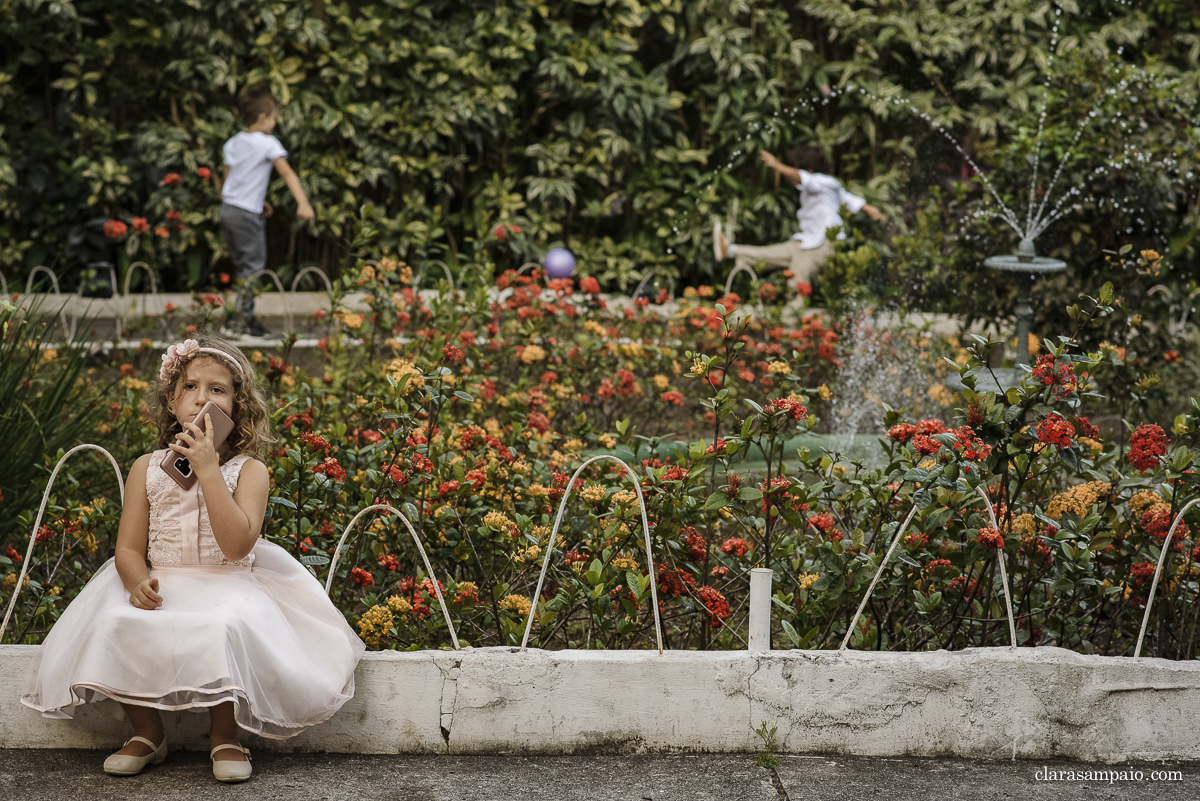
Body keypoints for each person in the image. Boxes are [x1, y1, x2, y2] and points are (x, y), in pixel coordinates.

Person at [21, 336, 364, 783]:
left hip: (228, 584)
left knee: (221, 625)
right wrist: (136, 581)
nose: (203, 398)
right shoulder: (146, 467)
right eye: (191, 387)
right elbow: (127, 547)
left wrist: (207, 470)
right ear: (171, 399)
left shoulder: (249, 470)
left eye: (218, 389)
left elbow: (238, 544)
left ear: (238, 405)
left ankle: (225, 735)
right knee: (115, 622)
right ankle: (147, 732)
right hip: (163, 580)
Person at [713, 145, 884, 286]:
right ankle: (730, 250)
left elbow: (804, 178)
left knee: (797, 284)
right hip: (807, 241)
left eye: (795, 168)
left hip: (822, 243)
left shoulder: (822, 181)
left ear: (808, 170)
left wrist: (777, 165)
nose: (791, 174)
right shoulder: (830, 186)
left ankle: (794, 324)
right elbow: (849, 198)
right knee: (770, 254)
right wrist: (869, 209)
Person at [219, 88, 315, 337]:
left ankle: (233, 320)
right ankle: (243, 323)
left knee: (242, 267)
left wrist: (253, 201)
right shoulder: (268, 143)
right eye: (274, 118)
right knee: (253, 267)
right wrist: (303, 202)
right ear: (262, 118)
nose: (275, 123)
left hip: (228, 209)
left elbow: (229, 177)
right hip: (246, 215)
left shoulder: (233, 143)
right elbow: (286, 172)